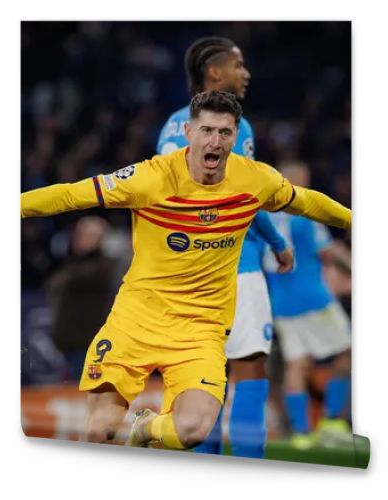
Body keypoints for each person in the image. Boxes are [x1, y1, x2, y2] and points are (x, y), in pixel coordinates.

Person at [21, 90, 351, 451]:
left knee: (191, 430)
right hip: (136, 321)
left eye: (225, 133)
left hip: (200, 330)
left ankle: (148, 428)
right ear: (189, 133)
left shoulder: (255, 179)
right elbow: (70, 195)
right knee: (100, 433)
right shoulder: (150, 178)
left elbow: (306, 201)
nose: (215, 141)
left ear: (236, 137)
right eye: (207, 130)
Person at [157, 37, 293, 458]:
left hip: (188, 274)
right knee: (249, 369)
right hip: (238, 265)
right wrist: (276, 242)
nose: (246, 73)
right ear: (214, 72)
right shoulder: (235, 126)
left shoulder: (173, 126)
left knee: (203, 374)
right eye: (239, 64)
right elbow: (245, 198)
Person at [259, 161, 352, 449]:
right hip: (314, 297)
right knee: (347, 354)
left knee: (296, 365)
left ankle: (300, 434)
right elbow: (327, 252)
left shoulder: (262, 215)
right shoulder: (307, 212)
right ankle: (332, 422)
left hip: (282, 302)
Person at [47, 216, 115, 381]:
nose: (80, 239)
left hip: (89, 344)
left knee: (85, 390)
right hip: (67, 342)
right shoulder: (71, 263)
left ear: (101, 239)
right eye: (79, 234)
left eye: (89, 235)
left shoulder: (102, 268)